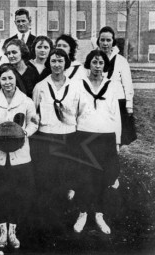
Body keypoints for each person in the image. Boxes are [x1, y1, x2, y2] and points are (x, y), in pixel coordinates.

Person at [0, 63, 38, 249]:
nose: (7, 82)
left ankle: (13, 230)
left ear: (16, 80)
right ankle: (2, 230)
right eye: (4, 78)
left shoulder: (27, 101)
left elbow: (34, 123)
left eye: (11, 78)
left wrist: (24, 134)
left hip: (20, 155)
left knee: (18, 194)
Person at [72, 49, 121, 235]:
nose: (98, 67)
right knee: (84, 177)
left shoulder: (112, 85)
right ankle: (83, 213)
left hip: (106, 137)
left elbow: (116, 115)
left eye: (101, 63)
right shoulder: (78, 84)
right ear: (89, 64)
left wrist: (116, 141)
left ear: (105, 65)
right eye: (94, 62)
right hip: (85, 137)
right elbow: (74, 112)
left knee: (102, 178)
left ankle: (99, 214)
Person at [32, 48, 80, 227]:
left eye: (60, 61)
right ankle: (46, 218)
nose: (57, 64)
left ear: (65, 63)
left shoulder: (75, 86)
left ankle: (63, 216)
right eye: (53, 61)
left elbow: (80, 111)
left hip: (68, 136)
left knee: (65, 175)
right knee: (47, 176)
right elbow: (34, 113)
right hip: (47, 137)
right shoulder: (40, 87)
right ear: (48, 63)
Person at [97, 26, 136, 145]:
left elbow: (127, 84)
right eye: (102, 40)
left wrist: (129, 105)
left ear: (113, 42)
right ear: (98, 41)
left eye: (108, 40)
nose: (105, 43)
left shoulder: (121, 61)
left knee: (118, 133)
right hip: (99, 101)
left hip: (118, 102)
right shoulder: (94, 59)